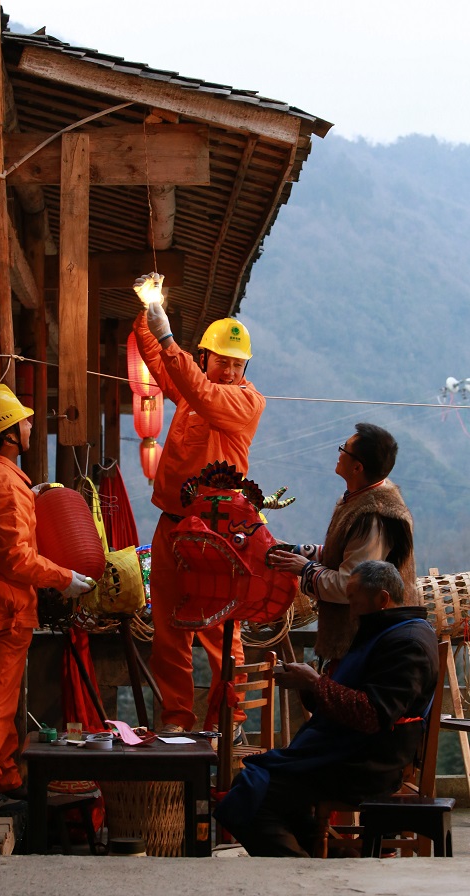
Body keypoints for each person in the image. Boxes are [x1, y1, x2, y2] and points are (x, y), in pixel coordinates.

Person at [132, 273, 291, 735]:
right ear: (204, 358)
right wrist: (148, 307)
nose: (230, 372)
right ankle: (176, 724)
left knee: (221, 630)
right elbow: (158, 357)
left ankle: (228, 722)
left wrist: (167, 336)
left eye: (238, 365)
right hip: (172, 526)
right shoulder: (192, 388)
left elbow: (199, 389)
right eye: (223, 361)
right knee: (169, 631)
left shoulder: (246, 402)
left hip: (219, 532)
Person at [214, 560, 439, 857]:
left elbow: (372, 713)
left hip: (366, 763)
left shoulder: (407, 643)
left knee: (252, 794)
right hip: (346, 750)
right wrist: (309, 686)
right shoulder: (385, 632)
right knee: (257, 785)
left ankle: (301, 869)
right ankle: (337, 859)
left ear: (382, 599)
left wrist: (316, 682)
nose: (350, 609)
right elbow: (348, 699)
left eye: (354, 600)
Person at [0, 383, 93, 804]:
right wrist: (64, 577)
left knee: (4, 698)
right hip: (7, 607)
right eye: (23, 422)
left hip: (0, 604)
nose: (30, 426)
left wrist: (30, 495)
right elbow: (16, 558)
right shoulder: (4, 484)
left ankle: (6, 775)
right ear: (8, 434)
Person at [268, 422, 419, 664]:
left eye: (344, 449)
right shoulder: (358, 499)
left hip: (364, 641)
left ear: (357, 467)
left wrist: (305, 569)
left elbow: (351, 586)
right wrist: (295, 550)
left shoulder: (373, 517)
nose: (339, 454)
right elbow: (344, 554)